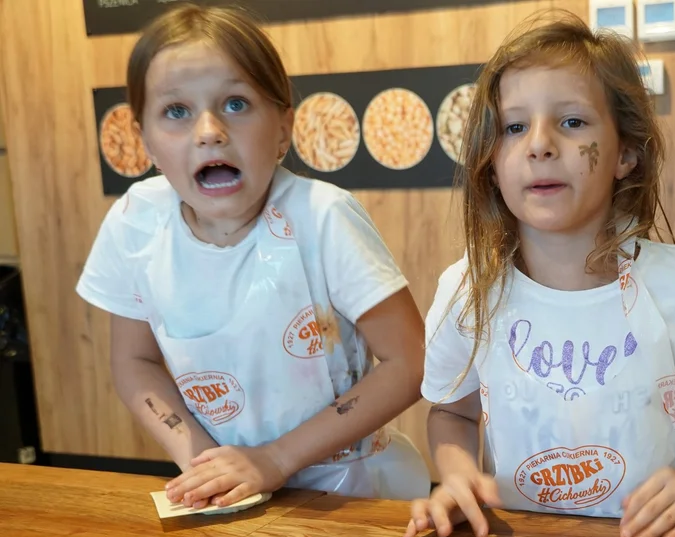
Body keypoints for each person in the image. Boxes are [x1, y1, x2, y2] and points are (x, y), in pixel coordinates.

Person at [406, 12, 675, 537]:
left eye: (572, 122)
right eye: (514, 127)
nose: (538, 144)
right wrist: (458, 473)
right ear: (491, 163)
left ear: (625, 153)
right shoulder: (466, 293)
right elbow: (451, 411)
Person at [76, 4, 431, 510]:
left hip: (347, 493)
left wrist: (277, 459)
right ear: (146, 141)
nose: (208, 131)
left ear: (284, 127)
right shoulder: (135, 223)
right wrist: (204, 464)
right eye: (176, 111)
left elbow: (411, 361)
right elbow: (134, 361)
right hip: (233, 496)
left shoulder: (323, 218)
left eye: (236, 104)